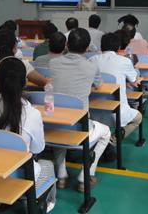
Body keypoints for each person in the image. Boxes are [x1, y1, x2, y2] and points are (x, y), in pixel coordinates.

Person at [0, 57, 56, 210]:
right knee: (48, 165)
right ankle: (43, 206)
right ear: (25, 82)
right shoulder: (32, 114)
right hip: (17, 176)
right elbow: (37, 149)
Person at [49, 28, 111, 192]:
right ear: (87, 47)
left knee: (59, 133)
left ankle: (61, 175)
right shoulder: (91, 66)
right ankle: (86, 175)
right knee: (106, 133)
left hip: (56, 123)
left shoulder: (53, 63)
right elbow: (99, 85)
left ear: (67, 45)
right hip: (80, 128)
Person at [89, 33, 143, 141]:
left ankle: (102, 138)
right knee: (138, 118)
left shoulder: (91, 60)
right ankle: (113, 140)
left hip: (92, 113)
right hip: (116, 114)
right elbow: (134, 81)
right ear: (119, 48)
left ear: (101, 46)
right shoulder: (125, 61)